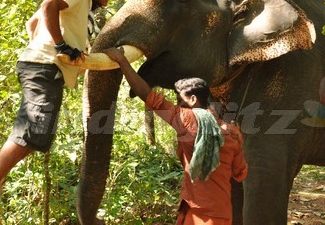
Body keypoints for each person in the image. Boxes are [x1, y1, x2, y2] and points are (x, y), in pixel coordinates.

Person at [0, 0, 122, 224]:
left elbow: (32, 23)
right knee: (36, 127)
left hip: (46, 67)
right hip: (44, 67)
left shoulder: (80, 10)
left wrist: (48, 47)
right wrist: (58, 46)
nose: (106, 3)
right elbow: (48, 5)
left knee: (39, 132)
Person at [103, 47, 248, 225]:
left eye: (180, 100)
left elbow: (146, 95)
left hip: (196, 212)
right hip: (222, 213)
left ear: (193, 99)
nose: (178, 104)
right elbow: (240, 174)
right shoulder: (232, 132)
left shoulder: (186, 119)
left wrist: (122, 61)